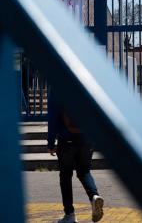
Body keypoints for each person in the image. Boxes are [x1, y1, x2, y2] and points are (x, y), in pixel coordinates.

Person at [47, 91, 104, 223]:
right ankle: (94, 197)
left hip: (66, 141)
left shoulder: (56, 92)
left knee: (65, 177)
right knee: (84, 172)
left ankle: (70, 215)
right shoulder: (85, 87)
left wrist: (50, 143)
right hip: (86, 139)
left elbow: (53, 120)